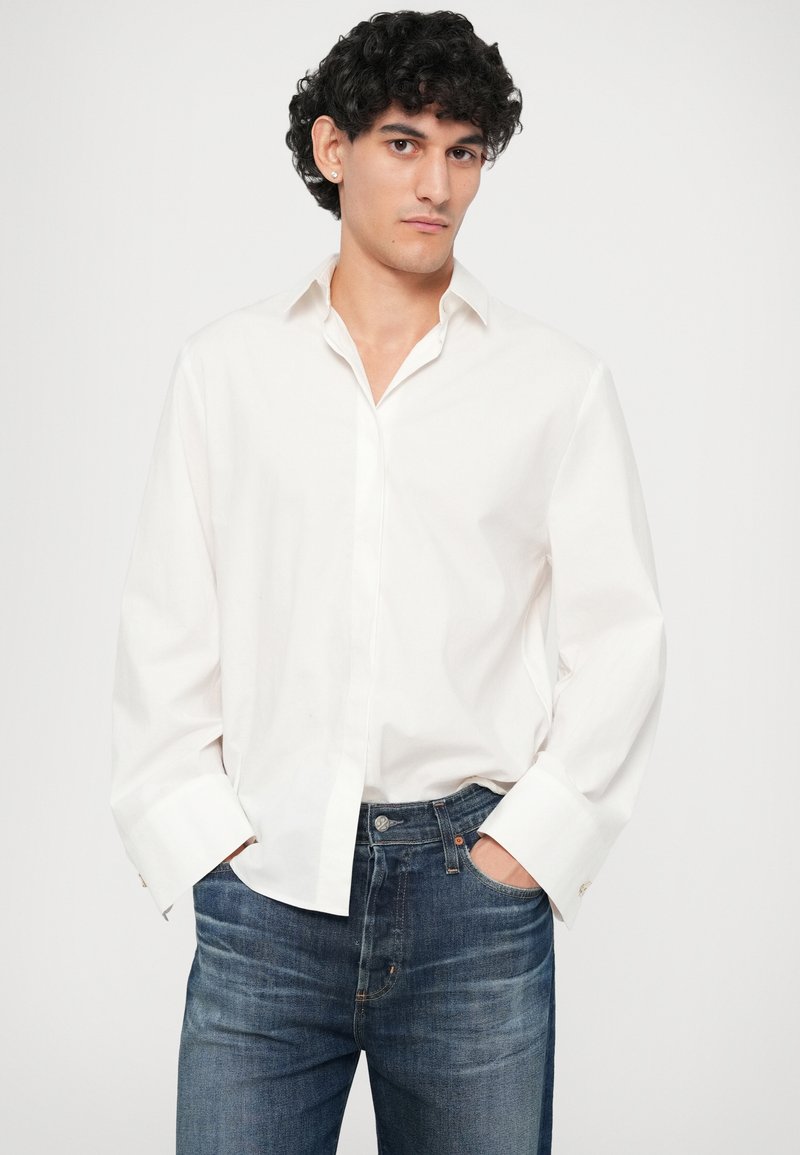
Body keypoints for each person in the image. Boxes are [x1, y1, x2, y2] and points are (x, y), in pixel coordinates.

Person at [110, 10, 667, 1153]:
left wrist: (522, 852)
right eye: (403, 143)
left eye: (464, 151)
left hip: (471, 897)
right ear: (333, 148)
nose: (437, 184)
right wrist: (205, 847)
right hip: (266, 885)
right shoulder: (227, 369)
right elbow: (167, 622)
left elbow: (619, 638)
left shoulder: (552, 383)